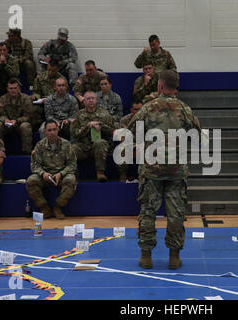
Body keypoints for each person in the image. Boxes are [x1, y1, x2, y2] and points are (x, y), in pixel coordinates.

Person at [127, 70, 201, 270]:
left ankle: (146, 256)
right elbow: (197, 134)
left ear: (160, 86)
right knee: (176, 213)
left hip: (152, 169)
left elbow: (132, 131)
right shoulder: (185, 109)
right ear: (175, 87)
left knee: (148, 211)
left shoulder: (148, 108)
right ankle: (174, 257)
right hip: (177, 170)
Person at [26, 119, 78, 220]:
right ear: (45, 132)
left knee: (71, 180)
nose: (52, 132)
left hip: (61, 174)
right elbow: (35, 165)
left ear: (58, 130)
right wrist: (43, 173)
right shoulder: (40, 145)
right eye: (49, 130)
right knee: (31, 181)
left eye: (54, 129)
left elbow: (72, 164)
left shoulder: (66, 144)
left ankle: (58, 207)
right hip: (45, 175)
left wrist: (61, 174)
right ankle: (45, 208)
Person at [70, 91, 114, 182]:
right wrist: (87, 127)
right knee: (71, 149)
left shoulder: (105, 114)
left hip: (97, 146)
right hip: (82, 146)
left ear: (96, 100)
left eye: (92, 98)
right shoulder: (78, 115)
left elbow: (112, 131)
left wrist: (100, 125)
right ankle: (73, 174)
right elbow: (74, 133)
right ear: (84, 101)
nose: (90, 100)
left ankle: (100, 173)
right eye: (88, 99)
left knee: (100, 142)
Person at [0, 78, 32, 154]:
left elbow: (28, 116)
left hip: (19, 124)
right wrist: (5, 120)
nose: (13, 90)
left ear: (19, 89)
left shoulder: (26, 98)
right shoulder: (3, 98)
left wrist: (17, 121)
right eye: (11, 88)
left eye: (15, 88)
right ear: (7, 89)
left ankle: (26, 152)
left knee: (25, 126)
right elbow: (1, 114)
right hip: (7, 124)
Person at [30, 60, 66, 130]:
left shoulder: (61, 79)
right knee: (33, 108)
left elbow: (63, 94)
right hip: (42, 102)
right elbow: (36, 91)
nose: (50, 72)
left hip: (56, 103)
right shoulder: (40, 77)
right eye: (49, 70)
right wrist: (36, 97)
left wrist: (49, 100)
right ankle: (36, 128)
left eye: (53, 71)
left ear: (57, 70)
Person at [117, 102, 143, 181]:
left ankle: (143, 176)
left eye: (140, 109)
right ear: (131, 110)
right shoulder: (124, 120)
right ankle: (123, 175)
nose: (138, 112)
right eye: (136, 109)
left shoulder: (147, 119)